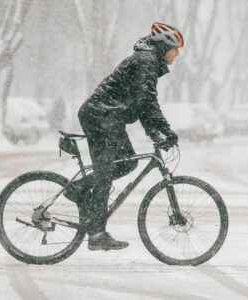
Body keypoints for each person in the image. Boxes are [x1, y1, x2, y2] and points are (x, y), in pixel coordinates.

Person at [65, 22, 185, 251]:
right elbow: (147, 101)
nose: (177, 54)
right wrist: (165, 131)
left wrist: (156, 133)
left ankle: (80, 189)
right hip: (101, 116)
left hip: (108, 117)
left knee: (127, 163)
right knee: (106, 171)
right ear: (164, 46)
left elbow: (142, 104)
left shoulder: (148, 61)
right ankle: (97, 233)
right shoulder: (145, 62)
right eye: (175, 48)